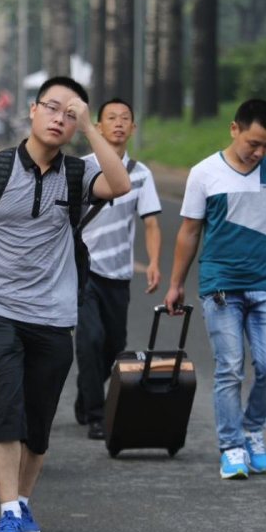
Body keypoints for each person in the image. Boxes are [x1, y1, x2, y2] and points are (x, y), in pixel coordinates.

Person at [0, 76, 131, 532]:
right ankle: (6, 513)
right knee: (4, 413)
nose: (60, 119)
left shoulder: (80, 175)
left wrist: (91, 126)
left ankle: (21, 503)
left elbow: (120, 183)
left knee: (37, 425)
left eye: (71, 114)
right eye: (53, 108)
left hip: (54, 316)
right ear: (32, 110)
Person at [163, 98, 266, 480]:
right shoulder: (204, 173)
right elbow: (189, 231)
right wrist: (176, 284)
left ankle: (253, 429)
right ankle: (231, 447)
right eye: (253, 143)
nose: (259, 152)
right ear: (234, 129)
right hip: (220, 286)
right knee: (230, 369)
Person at [73, 97, 162, 441]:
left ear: (133, 128)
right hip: (83, 271)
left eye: (126, 118)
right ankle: (96, 413)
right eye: (112, 118)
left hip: (119, 273)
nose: (119, 123)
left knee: (114, 345)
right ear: (98, 127)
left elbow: (151, 223)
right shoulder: (81, 168)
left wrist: (153, 262)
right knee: (89, 340)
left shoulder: (141, 173)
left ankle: (86, 391)